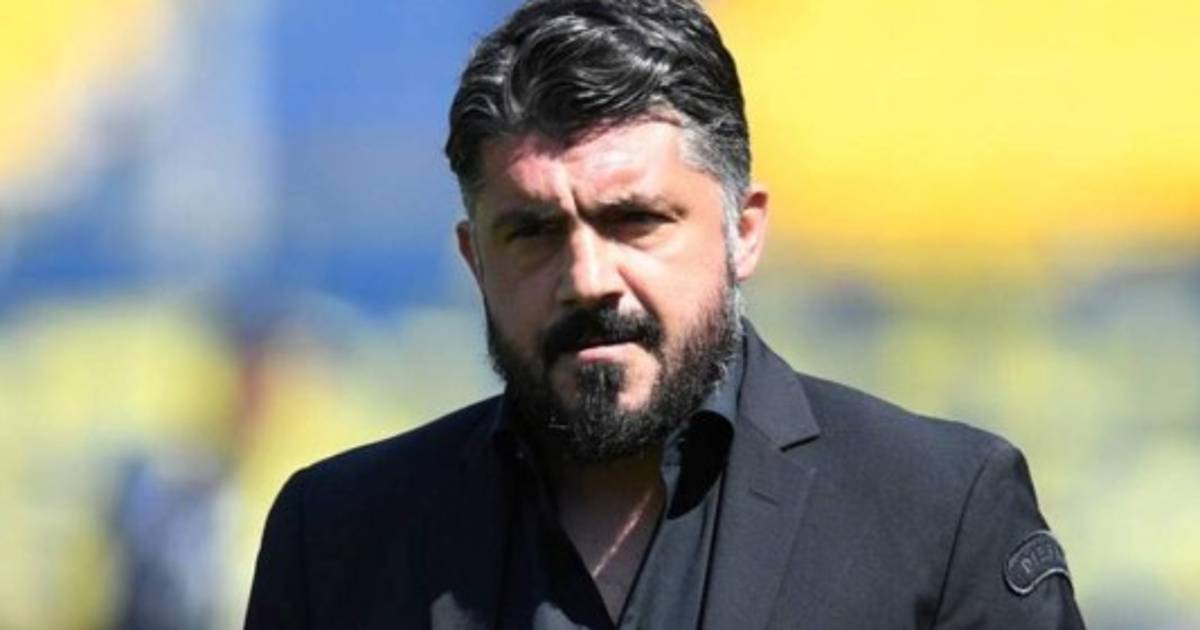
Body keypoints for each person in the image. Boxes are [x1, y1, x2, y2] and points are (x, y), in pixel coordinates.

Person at [245, 0, 1085, 628]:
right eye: (533, 232)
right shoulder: (341, 536)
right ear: (474, 259)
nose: (587, 279)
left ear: (742, 231)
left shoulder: (938, 510)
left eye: (634, 221)